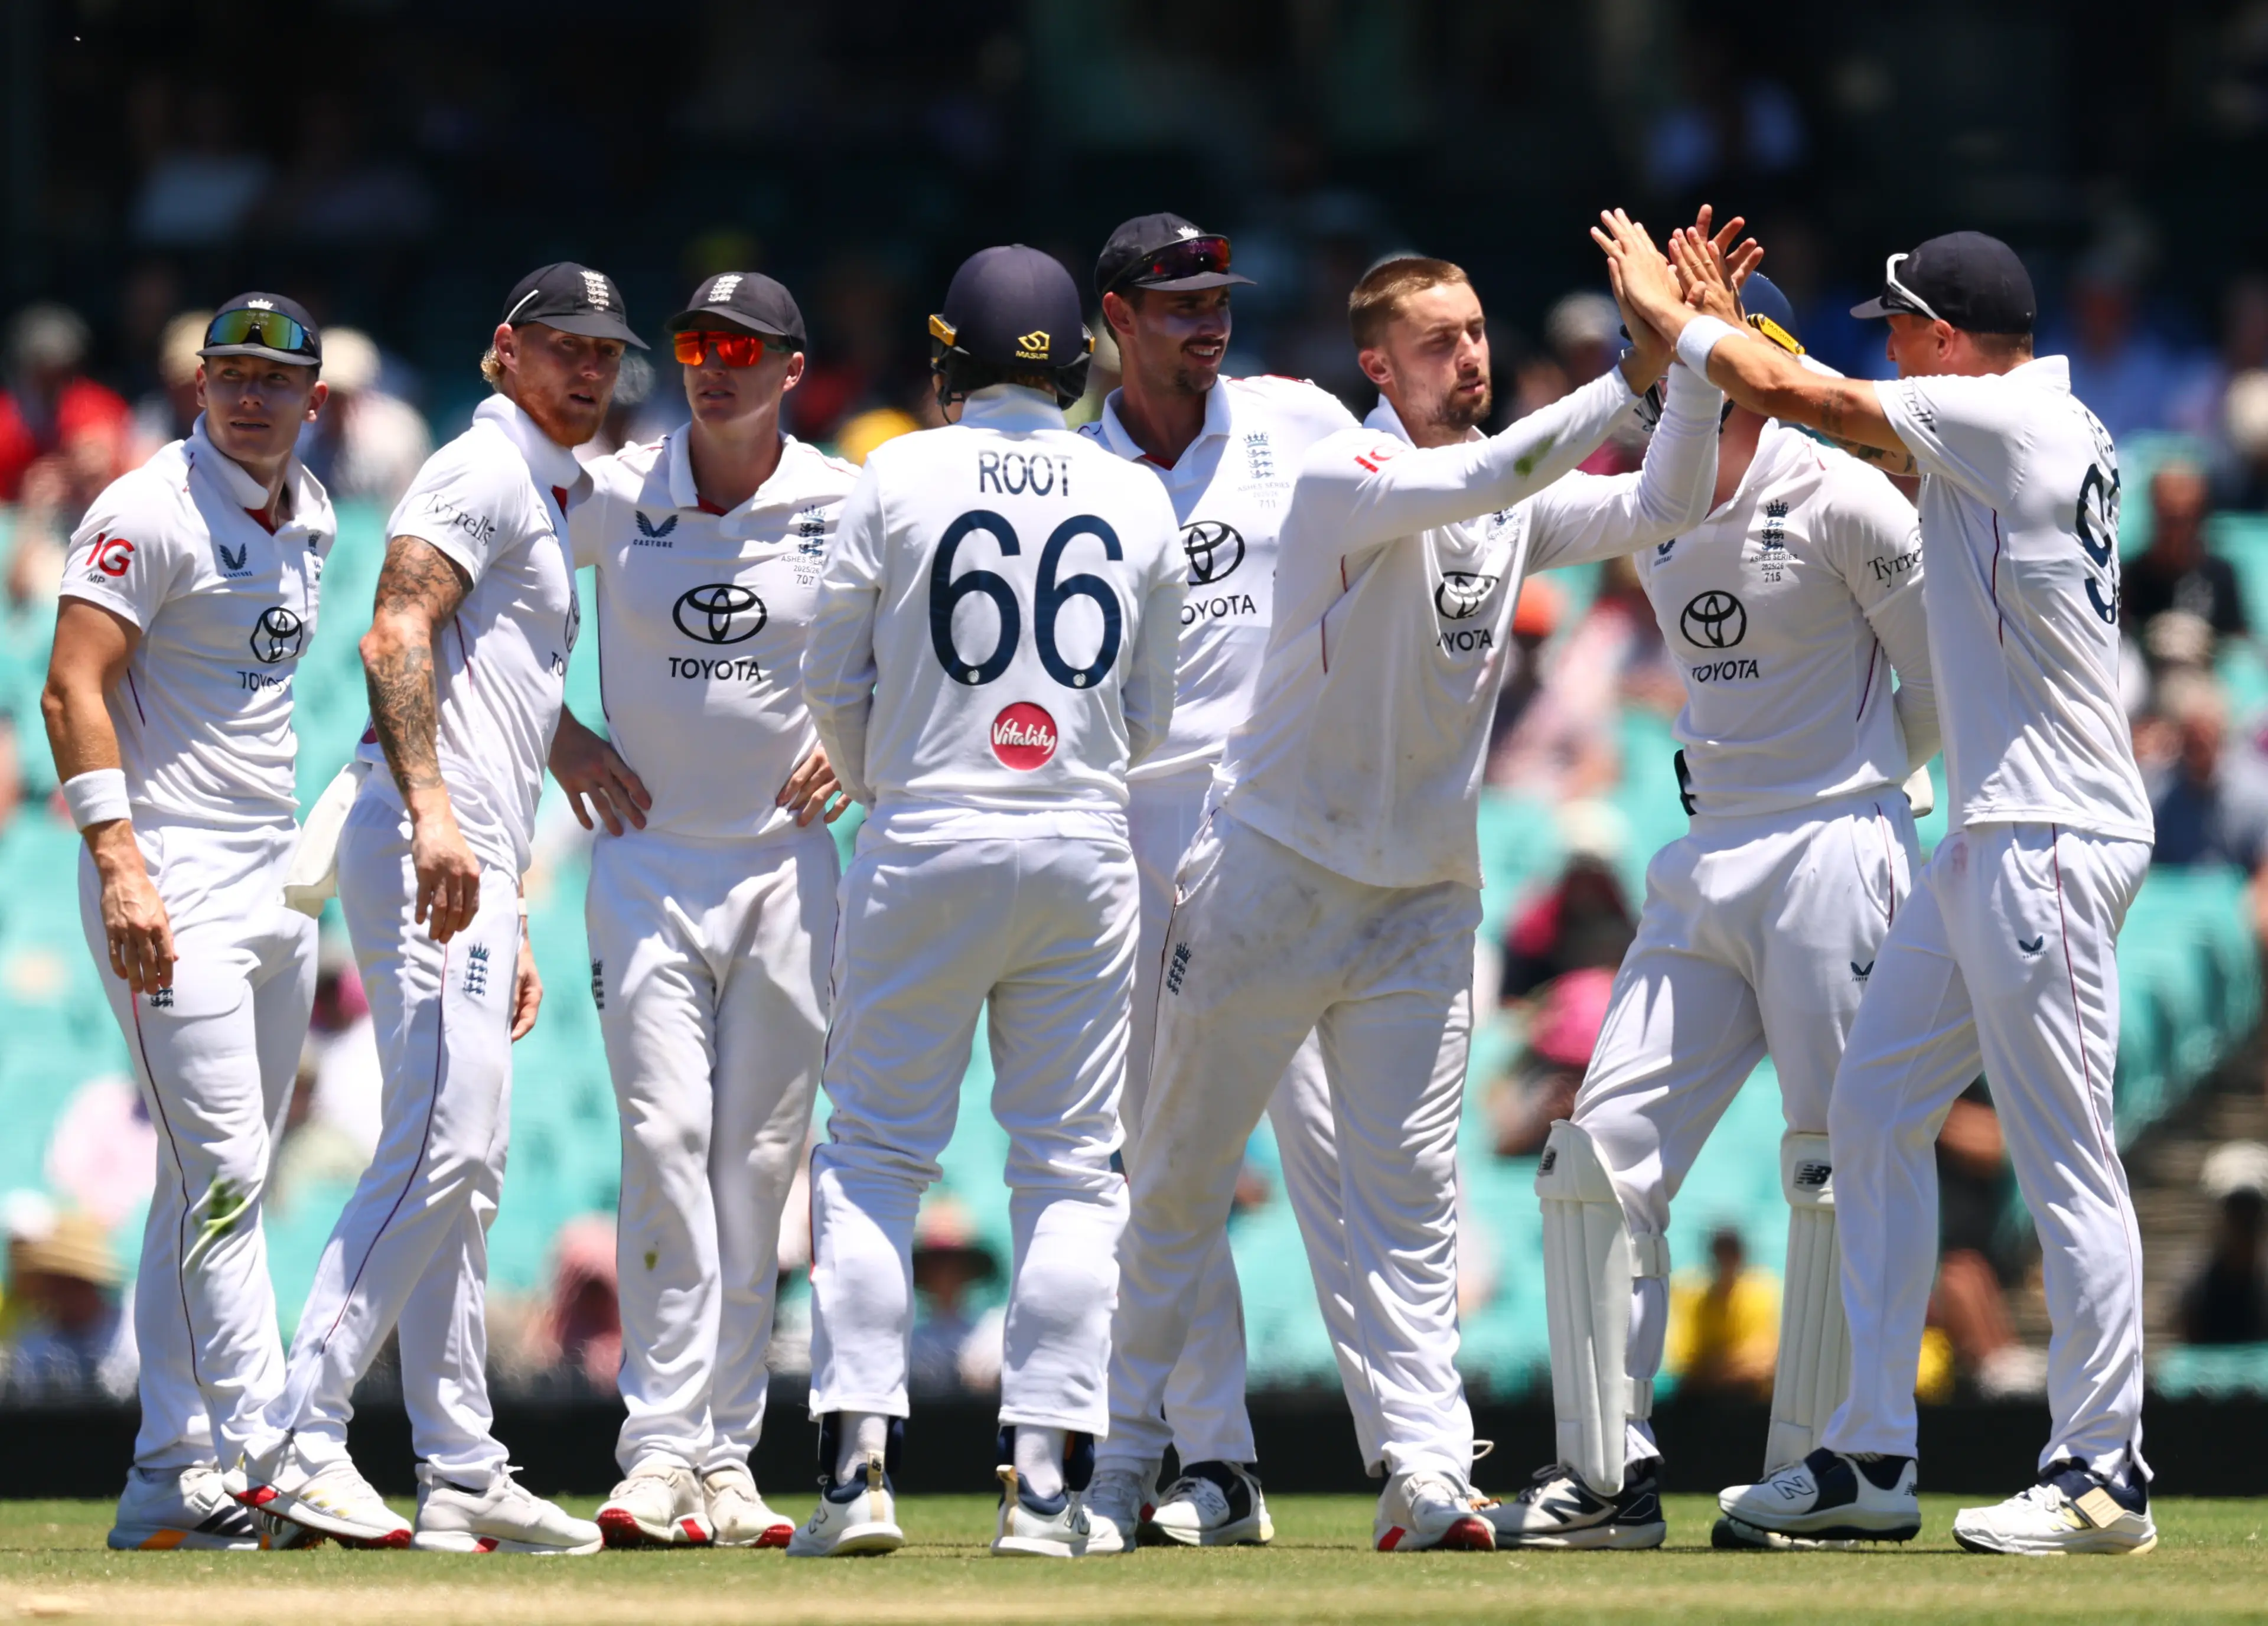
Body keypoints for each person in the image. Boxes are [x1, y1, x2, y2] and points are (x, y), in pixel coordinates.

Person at [1108, 243, 1718, 1555]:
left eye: (1480, 331)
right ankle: (1123, 1462)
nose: (1473, 356)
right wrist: (1634, 369)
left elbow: (1662, 503)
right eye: (1440, 339)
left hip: (1422, 896)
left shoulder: (1507, 497)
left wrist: (1701, 366)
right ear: (1377, 365)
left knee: (1410, 1196)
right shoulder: (1348, 469)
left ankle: (1431, 1473)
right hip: (1271, 875)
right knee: (1178, 1175)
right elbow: (1485, 472)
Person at [1604, 215, 2161, 1555]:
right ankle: (1869, 1452)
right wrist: (1712, 336)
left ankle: (2106, 1467)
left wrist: (1670, 318)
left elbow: (1807, 396)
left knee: (2065, 1148)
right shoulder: (2030, 424)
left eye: (1903, 330)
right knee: (1872, 1110)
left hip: (2052, 831)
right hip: (1986, 828)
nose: (1894, 353)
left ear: (1950, 340)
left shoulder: (2006, 420)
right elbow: (1818, 400)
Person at [1489, 275, 1939, 1551]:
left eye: (1669, 344)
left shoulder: (1842, 493)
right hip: (1707, 854)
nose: (1647, 373)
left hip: (1836, 848)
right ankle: (1603, 1473)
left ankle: (1843, 1462)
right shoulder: (1658, 505)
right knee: (1597, 1156)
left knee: (1840, 1161)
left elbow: (1938, 685)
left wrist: (1854, 787)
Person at [239, 265, 644, 1557]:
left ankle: (460, 1462)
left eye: (606, 352)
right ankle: (295, 1435)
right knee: (445, 1142)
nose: (590, 370)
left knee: (468, 1169)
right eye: (563, 348)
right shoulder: (482, 469)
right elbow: (394, 635)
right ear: (502, 353)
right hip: (432, 840)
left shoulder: (537, 485)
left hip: (464, 843)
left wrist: (566, 744)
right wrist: (434, 815)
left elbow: (494, 678)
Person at [796, 245, 1182, 1560]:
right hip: (1079, 835)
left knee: (874, 1155)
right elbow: (1151, 710)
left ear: (947, 357)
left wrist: (884, 780)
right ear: (1082, 364)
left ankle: (857, 1473)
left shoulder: (894, 468)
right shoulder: (1134, 498)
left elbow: (829, 675)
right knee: (1072, 1166)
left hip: (924, 823)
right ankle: (1044, 1484)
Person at [1073, 211, 1368, 1549]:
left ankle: (1418, 1454)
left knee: (1338, 1154)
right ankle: (1219, 1462)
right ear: (1115, 318)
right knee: (1168, 1172)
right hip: (1131, 838)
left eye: (1217, 296)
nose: (1208, 318)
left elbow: (1425, 503)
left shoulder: (1295, 421)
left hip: (1279, 828)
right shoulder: (1073, 471)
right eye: (1177, 300)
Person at [551, 269, 859, 1549]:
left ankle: (729, 1457)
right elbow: (486, 622)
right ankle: (658, 1447)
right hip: (649, 862)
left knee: (758, 1167)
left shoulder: (847, 501)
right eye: (692, 343)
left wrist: (866, 740)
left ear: (792, 367)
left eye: (741, 345)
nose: (710, 363)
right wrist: (562, 736)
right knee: (665, 1135)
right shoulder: (613, 490)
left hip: (789, 869)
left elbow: (932, 646)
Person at [40, 294, 334, 1552]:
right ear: (198, 385)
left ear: (314, 399)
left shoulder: (311, 512)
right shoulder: (148, 508)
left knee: (213, 1184)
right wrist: (120, 862)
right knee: (220, 1176)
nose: (250, 396)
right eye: (230, 374)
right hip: (168, 878)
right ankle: (269, 1462)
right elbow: (69, 687)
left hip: (272, 882)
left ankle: (168, 1475)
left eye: (275, 379)